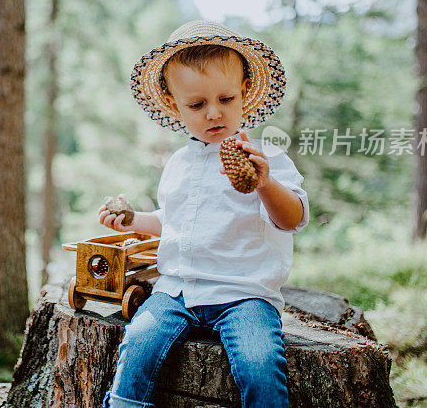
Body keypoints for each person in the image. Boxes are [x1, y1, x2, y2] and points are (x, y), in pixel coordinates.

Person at [98, 20, 309, 408]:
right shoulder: (179, 163)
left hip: (244, 293)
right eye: (197, 104)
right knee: (138, 342)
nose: (214, 114)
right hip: (177, 289)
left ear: (244, 92)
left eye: (226, 99)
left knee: (260, 362)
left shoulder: (267, 157)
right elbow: (174, 223)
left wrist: (264, 183)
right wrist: (133, 222)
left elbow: (291, 219)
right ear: (174, 105)